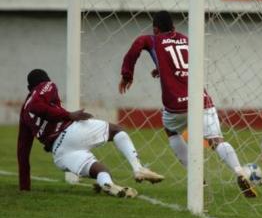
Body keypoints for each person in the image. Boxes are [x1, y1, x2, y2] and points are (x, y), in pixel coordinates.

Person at [119, 10, 257, 198]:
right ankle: (239, 171)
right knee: (216, 140)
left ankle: (196, 176)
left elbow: (135, 49)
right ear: (174, 27)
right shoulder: (186, 39)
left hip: (176, 104)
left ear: (155, 28)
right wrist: (162, 70)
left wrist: (127, 75)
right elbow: (183, 64)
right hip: (201, 100)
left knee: (172, 131)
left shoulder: (150, 39)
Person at [18, 69, 164, 198]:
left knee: (100, 170)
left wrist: (24, 187)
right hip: (70, 132)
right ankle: (138, 168)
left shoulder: (24, 112)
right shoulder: (46, 85)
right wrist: (68, 115)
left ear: (28, 88)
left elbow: (22, 151)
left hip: (59, 153)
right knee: (116, 131)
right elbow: (36, 106)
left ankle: (106, 184)